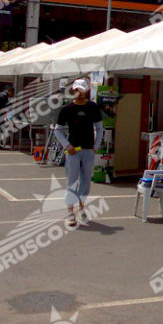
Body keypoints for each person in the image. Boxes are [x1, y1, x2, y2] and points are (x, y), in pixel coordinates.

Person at [53, 79, 104, 228]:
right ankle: (70, 212)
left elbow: (100, 128)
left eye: (82, 90)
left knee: (86, 182)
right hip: (73, 151)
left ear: (86, 90)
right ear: (73, 90)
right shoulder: (67, 109)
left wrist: (96, 145)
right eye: (77, 90)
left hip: (88, 150)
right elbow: (57, 129)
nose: (79, 93)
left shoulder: (93, 108)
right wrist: (67, 145)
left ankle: (81, 207)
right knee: (72, 182)